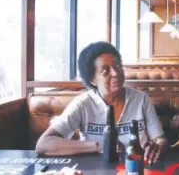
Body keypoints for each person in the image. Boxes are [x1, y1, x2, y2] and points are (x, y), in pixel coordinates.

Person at [36, 41, 168, 163]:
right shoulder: (83, 104)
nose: (115, 73)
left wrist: (159, 146)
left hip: (137, 168)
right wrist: (100, 146)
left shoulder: (141, 99)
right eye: (105, 71)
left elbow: (160, 139)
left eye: (117, 66)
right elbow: (44, 144)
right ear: (92, 79)